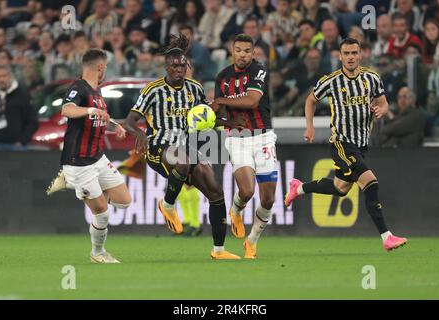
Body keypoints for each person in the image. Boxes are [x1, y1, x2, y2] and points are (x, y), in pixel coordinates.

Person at [123, 34, 241, 260]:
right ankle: (167, 205)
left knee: (216, 192)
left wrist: (229, 123)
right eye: (174, 65)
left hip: (185, 149)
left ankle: (219, 250)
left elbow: (205, 118)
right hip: (158, 148)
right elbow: (128, 122)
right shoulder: (153, 90)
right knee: (183, 160)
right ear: (166, 66)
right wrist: (138, 132)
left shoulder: (195, 89)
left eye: (182, 64)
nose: (179, 68)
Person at [285, 38, 408, 252]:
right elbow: (310, 100)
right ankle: (386, 237)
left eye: (354, 53)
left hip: (361, 144)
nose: (350, 57)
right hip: (342, 142)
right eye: (346, 53)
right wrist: (310, 126)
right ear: (340, 56)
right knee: (371, 183)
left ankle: (299, 188)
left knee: (340, 188)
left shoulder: (372, 78)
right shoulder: (331, 81)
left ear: (360, 55)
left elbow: (383, 101)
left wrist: (383, 109)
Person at [46, 49, 131, 263]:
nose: (105, 72)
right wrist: (90, 111)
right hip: (78, 162)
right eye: (106, 68)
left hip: (98, 158)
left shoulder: (96, 91)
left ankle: (73, 184)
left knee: (124, 201)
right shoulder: (79, 88)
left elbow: (99, 116)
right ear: (100, 67)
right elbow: (67, 110)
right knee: (102, 212)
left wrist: (114, 125)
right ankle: (98, 253)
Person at [211, 34, 277, 260]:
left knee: (268, 200)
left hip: (263, 137)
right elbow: (217, 115)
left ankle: (252, 241)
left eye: (247, 51)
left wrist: (221, 101)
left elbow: (252, 101)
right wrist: (211, 114)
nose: (243, 54)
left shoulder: (259, 71)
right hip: (237, 138)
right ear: (232, 51)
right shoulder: (222, 77)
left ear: (253, 52)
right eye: (238, 50)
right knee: (247, 191)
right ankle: (236, 210)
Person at [0, 65, 38, 150]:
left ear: (10, 76)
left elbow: (32, 121)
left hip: (17, 146)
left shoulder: (22, 95)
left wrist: (22, 141)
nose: (1, 79)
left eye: (4, 76)